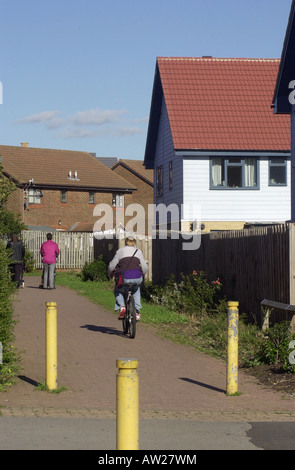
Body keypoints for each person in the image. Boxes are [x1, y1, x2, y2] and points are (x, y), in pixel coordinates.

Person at [108, 235, 148, 321]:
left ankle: (122, 307)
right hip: (137, 277)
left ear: (126, 241)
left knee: (117, 290)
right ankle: (137, 312)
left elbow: (112, 266)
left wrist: (110, 274)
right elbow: (145, 267)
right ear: (134, 242)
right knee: (136, 290)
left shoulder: (120, 251)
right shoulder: (138, 251)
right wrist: (142, 273)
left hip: (124, 277)